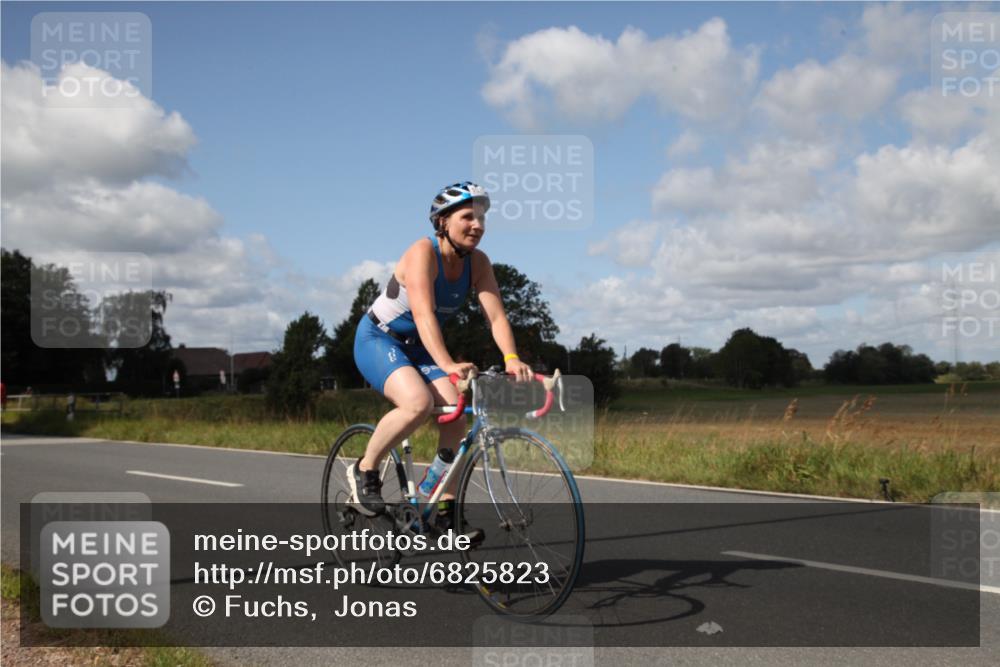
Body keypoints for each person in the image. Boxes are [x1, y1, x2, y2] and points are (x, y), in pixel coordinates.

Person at [349, 181, 533, 525]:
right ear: (442, 223)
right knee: (417, 403)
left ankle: (443, 507)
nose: (477, 225)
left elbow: (495, 316)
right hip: (379, 339)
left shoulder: (478, 263)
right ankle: (365, 468)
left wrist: (511, 358)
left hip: (419, 348)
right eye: (467, 217)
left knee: (457, 416)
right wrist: (447, 363)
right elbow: (423, 314)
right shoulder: (422, 252)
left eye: (481, 218)